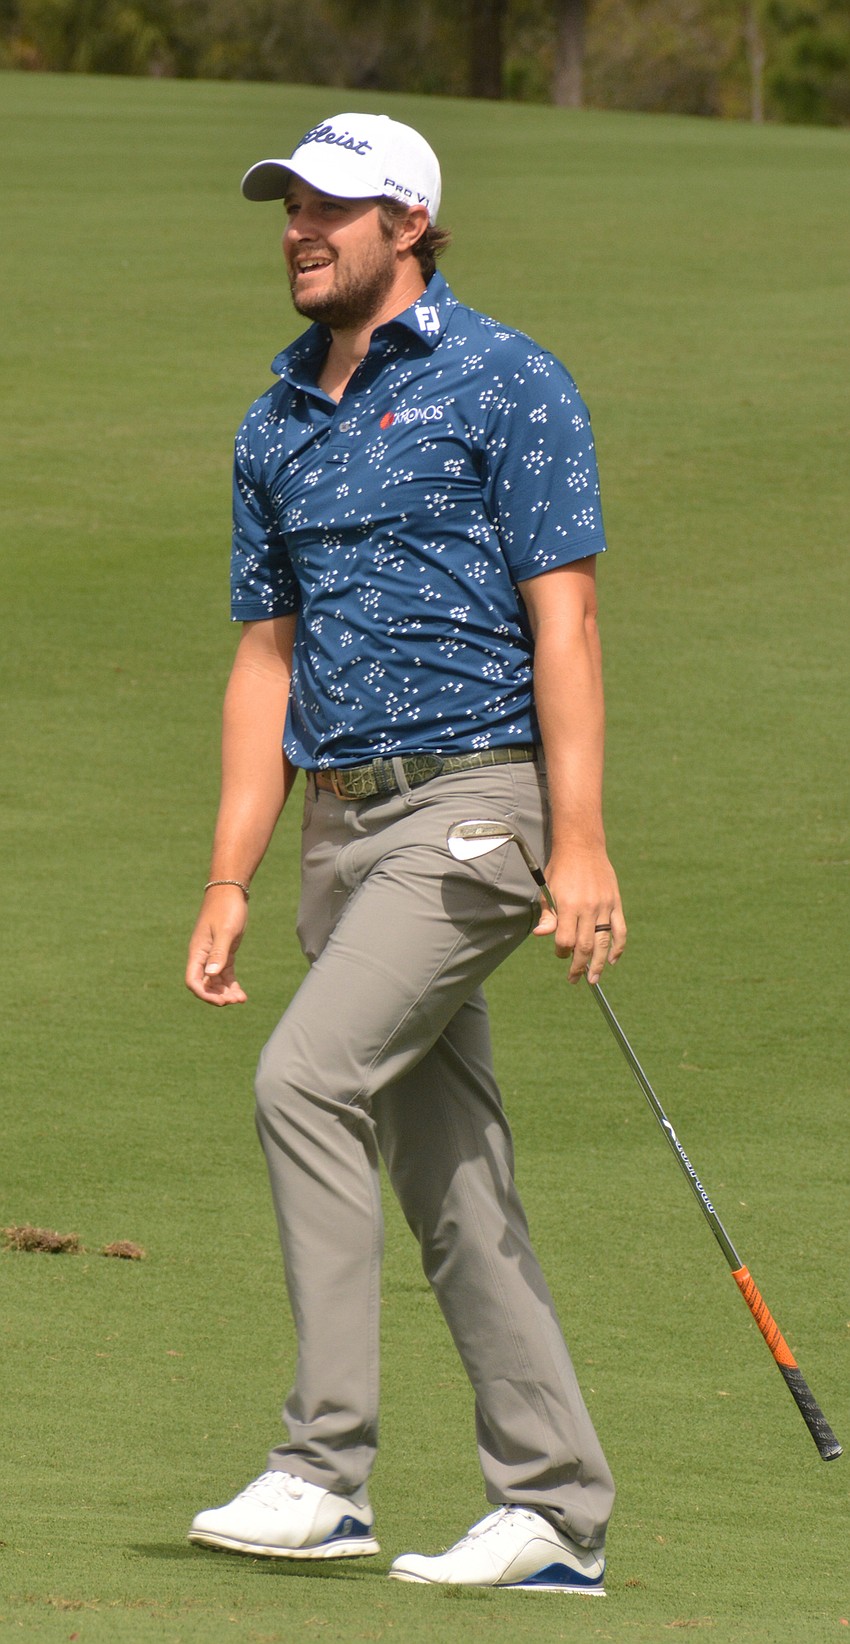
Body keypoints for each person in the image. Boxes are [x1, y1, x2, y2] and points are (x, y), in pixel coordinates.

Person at [185, 111, 626, 1593]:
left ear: (411, 224)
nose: (301, 229)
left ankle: (324, 1470)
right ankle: (554, 1509)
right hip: (339, 823)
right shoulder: (274, 422)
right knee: (450, 1176)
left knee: (303, 1081)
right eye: (289, 206)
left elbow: (566, 620)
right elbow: (266, 658)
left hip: (476, 805)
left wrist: (581, 846)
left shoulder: (509, 380)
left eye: (333, 207)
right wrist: (231, 876)